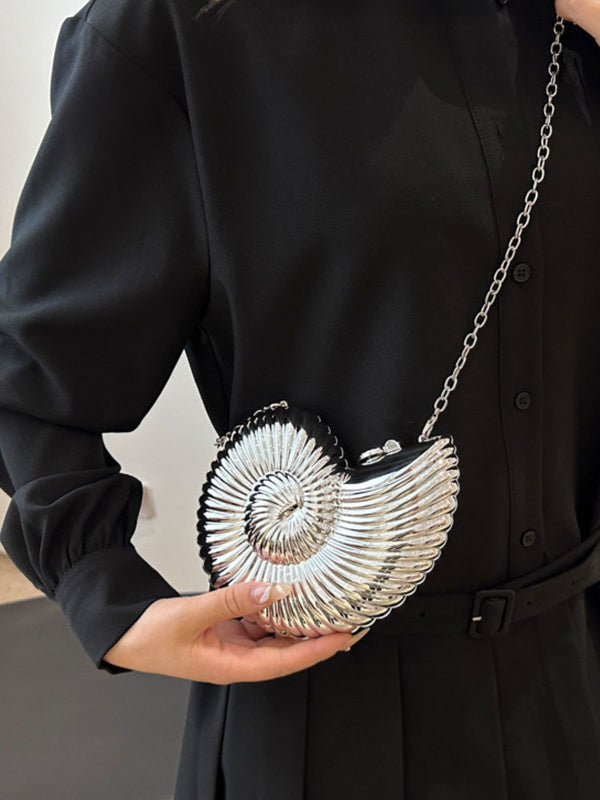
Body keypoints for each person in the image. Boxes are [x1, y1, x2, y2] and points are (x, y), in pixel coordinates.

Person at [1, 0, 600, 797]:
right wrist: (103, 588)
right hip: (334, 708)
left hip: (574, 677)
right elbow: (30, 378)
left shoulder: (569, 33)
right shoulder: (184, 31)